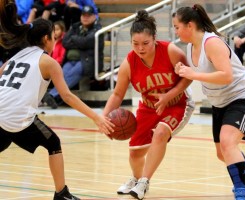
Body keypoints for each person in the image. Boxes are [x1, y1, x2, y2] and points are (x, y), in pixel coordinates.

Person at [0, 1, 114, 200]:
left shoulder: (15, 58)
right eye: (54, 37)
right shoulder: (48, 62)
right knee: (53, 142)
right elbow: (67, 96)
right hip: (16, 117)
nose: (55, 41)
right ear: (46, 38)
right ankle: (61, 194)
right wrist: (96, 118)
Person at [102, 10, 195, 200]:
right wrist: (103, 118)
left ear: (154, 38)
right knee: (135, 153)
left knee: (160, 133)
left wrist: (169, 95)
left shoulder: (170, 51)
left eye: (145, 43)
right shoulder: (129, 63)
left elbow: (188, 77)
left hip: (177, 104)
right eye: (135, 44)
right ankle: (136, 180)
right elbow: (118, 94)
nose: (140, 48)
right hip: (148, 107)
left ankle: (144, 181)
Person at [173, 4, 245, 200]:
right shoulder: (190, 46)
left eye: (177, 27)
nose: (175, 31)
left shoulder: (211, 43)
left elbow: (227, 76)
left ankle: (241, 191)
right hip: (220, 102)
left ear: (189, 26)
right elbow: (203, 70)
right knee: (223, 154)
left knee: (228, 144)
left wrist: (193, 74)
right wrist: (182, 69)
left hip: (242, 97)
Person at [43, 5, 104, 109]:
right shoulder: (75, 26)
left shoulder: (98, 30)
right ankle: (56, 97)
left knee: (73, 73)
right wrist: (81, 42)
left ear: (94, 17)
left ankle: (52, 95)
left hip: (87, 61)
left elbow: (87, 42)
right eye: (83, 15)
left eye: (88, 15)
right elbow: (66, 42)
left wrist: (75, 40)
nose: (85, 17)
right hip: (71, 60)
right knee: (62, 73)